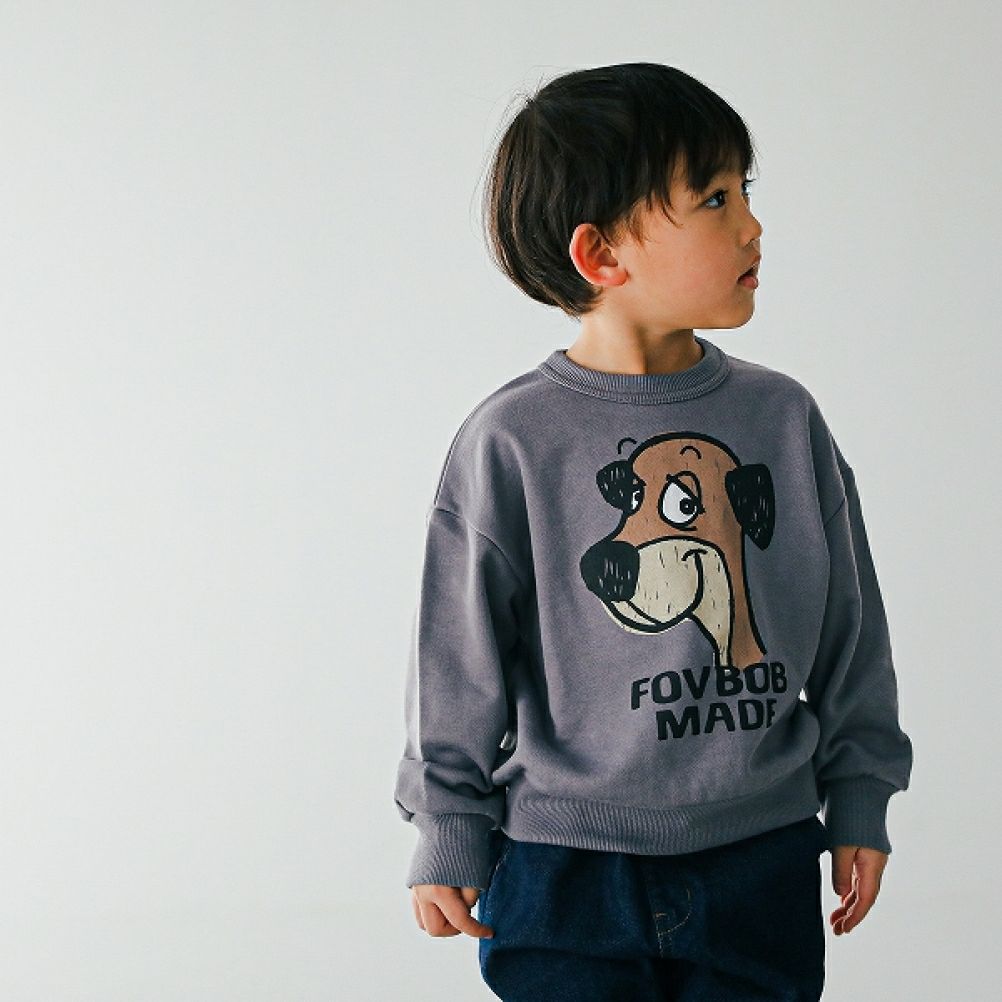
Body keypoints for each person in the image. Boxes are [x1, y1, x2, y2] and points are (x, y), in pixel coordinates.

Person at [392, 62, 913, 1001]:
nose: (752, 225)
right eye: (714, 198)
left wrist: (861, 797)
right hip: (565, 869)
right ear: (601, 255)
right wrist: (448, 824)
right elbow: (458, 658)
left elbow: (851, 629)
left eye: (745, 191)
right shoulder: (514, 441)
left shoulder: (782, 419)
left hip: (761, 858)